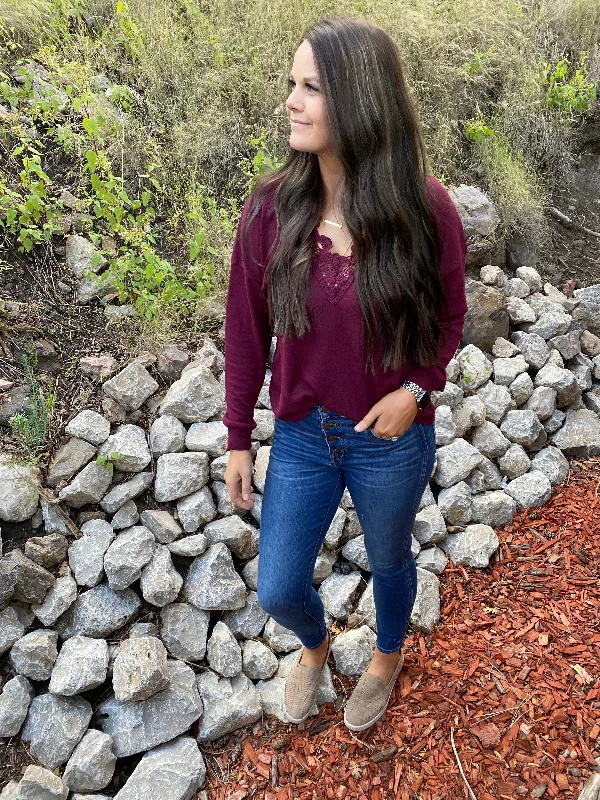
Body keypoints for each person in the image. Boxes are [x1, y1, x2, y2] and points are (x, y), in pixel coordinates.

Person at [223, 16, 467, 732]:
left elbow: (451, 321)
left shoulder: (426, 211)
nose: (290, 102)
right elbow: (245, 331)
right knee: (277, 586)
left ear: (360, 100)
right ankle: (316, 643)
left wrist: (417, 390)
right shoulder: (271, 210)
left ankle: (388, 655)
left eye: (310, 88)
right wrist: (239, 436)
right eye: (290, 85)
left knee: (390, 557)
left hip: (389, 436)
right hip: (302, 433)